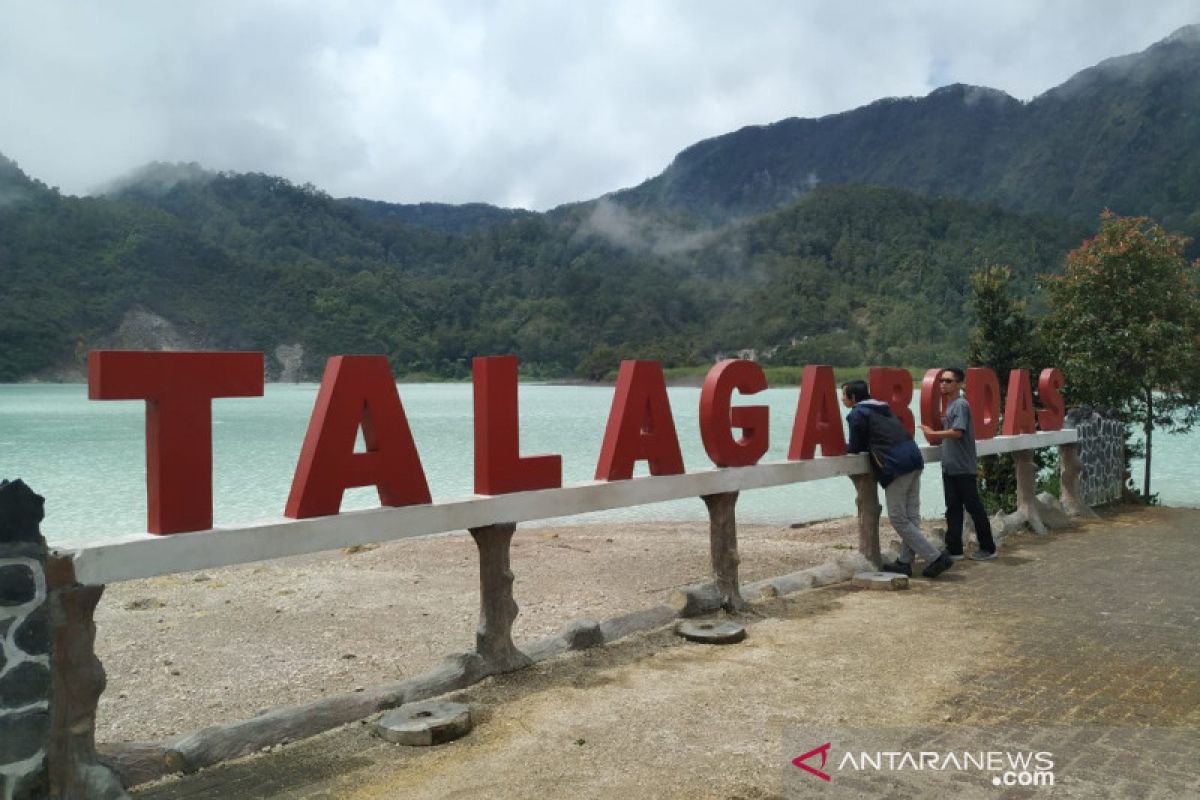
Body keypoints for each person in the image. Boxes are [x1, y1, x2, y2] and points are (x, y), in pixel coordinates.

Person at [841, 380, 954, 579]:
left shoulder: (857, 414)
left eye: (844, 395)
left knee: (898, 518)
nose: (842, 399)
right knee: (911, 516)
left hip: (895, 465)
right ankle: (904, 562)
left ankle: (936, 557)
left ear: (853, 397)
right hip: (913, 458)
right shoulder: (883, 408)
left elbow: (855, 448)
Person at [920, 367, 998, 561]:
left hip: (963, 467)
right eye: (941, 381)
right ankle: (954, 549)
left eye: (949, 381)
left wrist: (933, 433)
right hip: (950, 467)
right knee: (953, 508)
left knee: (974, 508)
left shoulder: (961, 405)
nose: (943, 384)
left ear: (960, 384)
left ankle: (988, 548)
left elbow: (958, 432)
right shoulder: (951, 405)